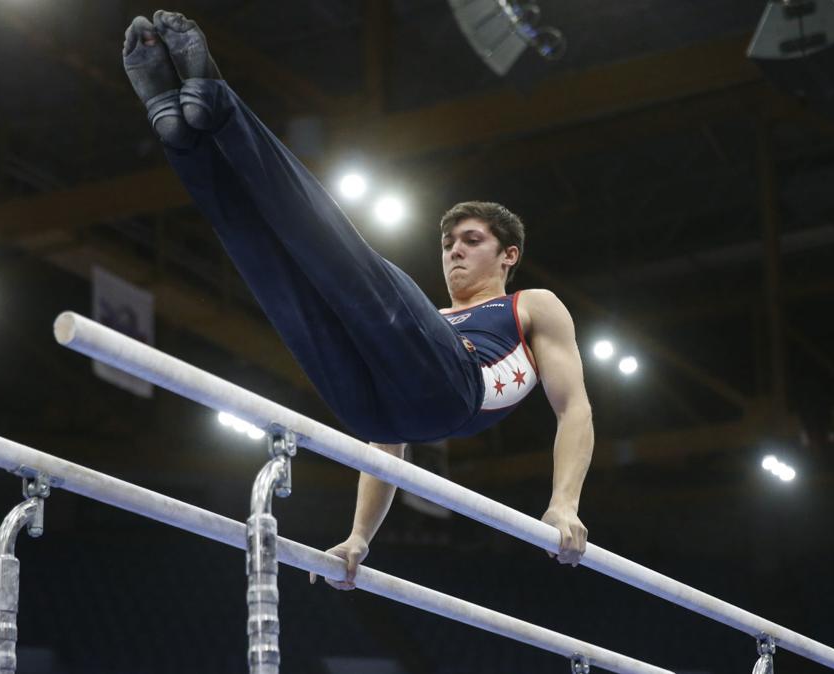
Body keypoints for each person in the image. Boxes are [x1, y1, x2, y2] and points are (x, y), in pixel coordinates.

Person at [122, 11, 594, 589]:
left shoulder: (531, 305)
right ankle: (185, 136)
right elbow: (386, 445)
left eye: (471, 241)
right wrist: (359, 537)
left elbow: (574, 408)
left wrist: (564, 503)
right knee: (281, 271)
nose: (454, 251)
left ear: (509, 255)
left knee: (327, 258)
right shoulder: (429, 319)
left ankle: (216, 105)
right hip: (375, 409)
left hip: (456, 388)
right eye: (448, 242)